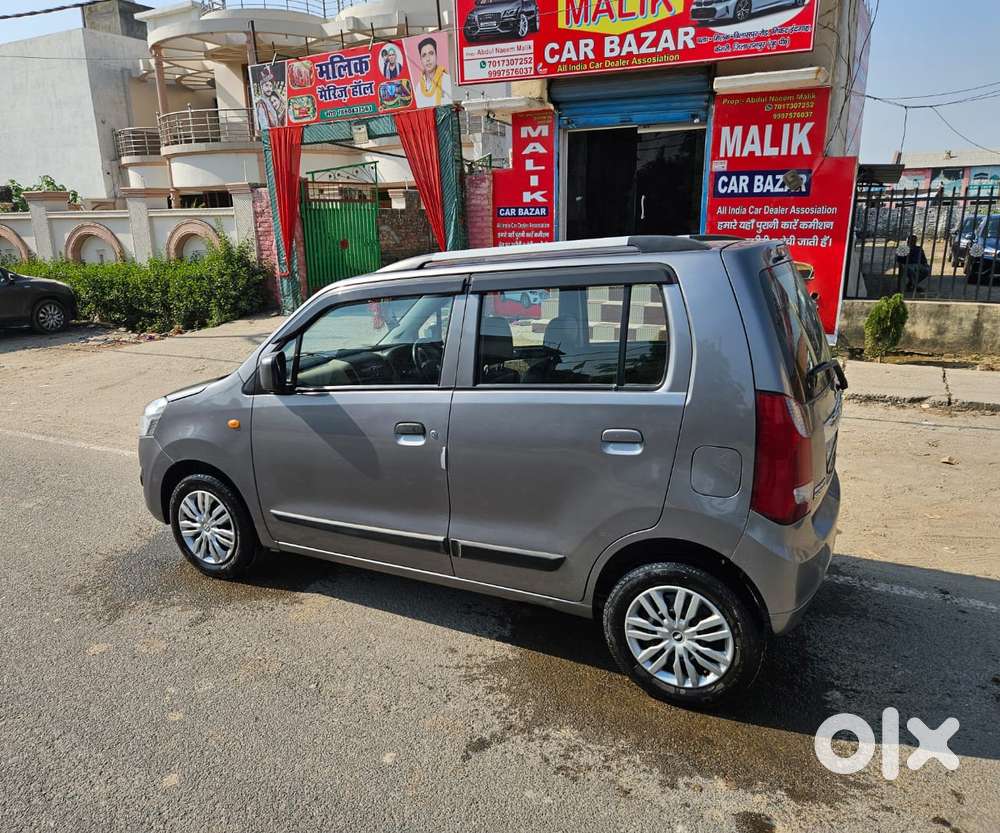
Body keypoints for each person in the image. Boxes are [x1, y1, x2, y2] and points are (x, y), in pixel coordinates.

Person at [414, 36, 451, 107]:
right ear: (421, 60)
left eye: (431, 53)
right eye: (424, 55)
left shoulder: (446, 80)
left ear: (436, 55)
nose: (428, 59)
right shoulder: (418, 88)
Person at [253, 65, 286, 129]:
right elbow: (264, 125)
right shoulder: (261, 103)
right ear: (262, 87)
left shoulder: (269, 100)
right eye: (267, 85)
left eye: (270, 86)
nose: (269, 88)